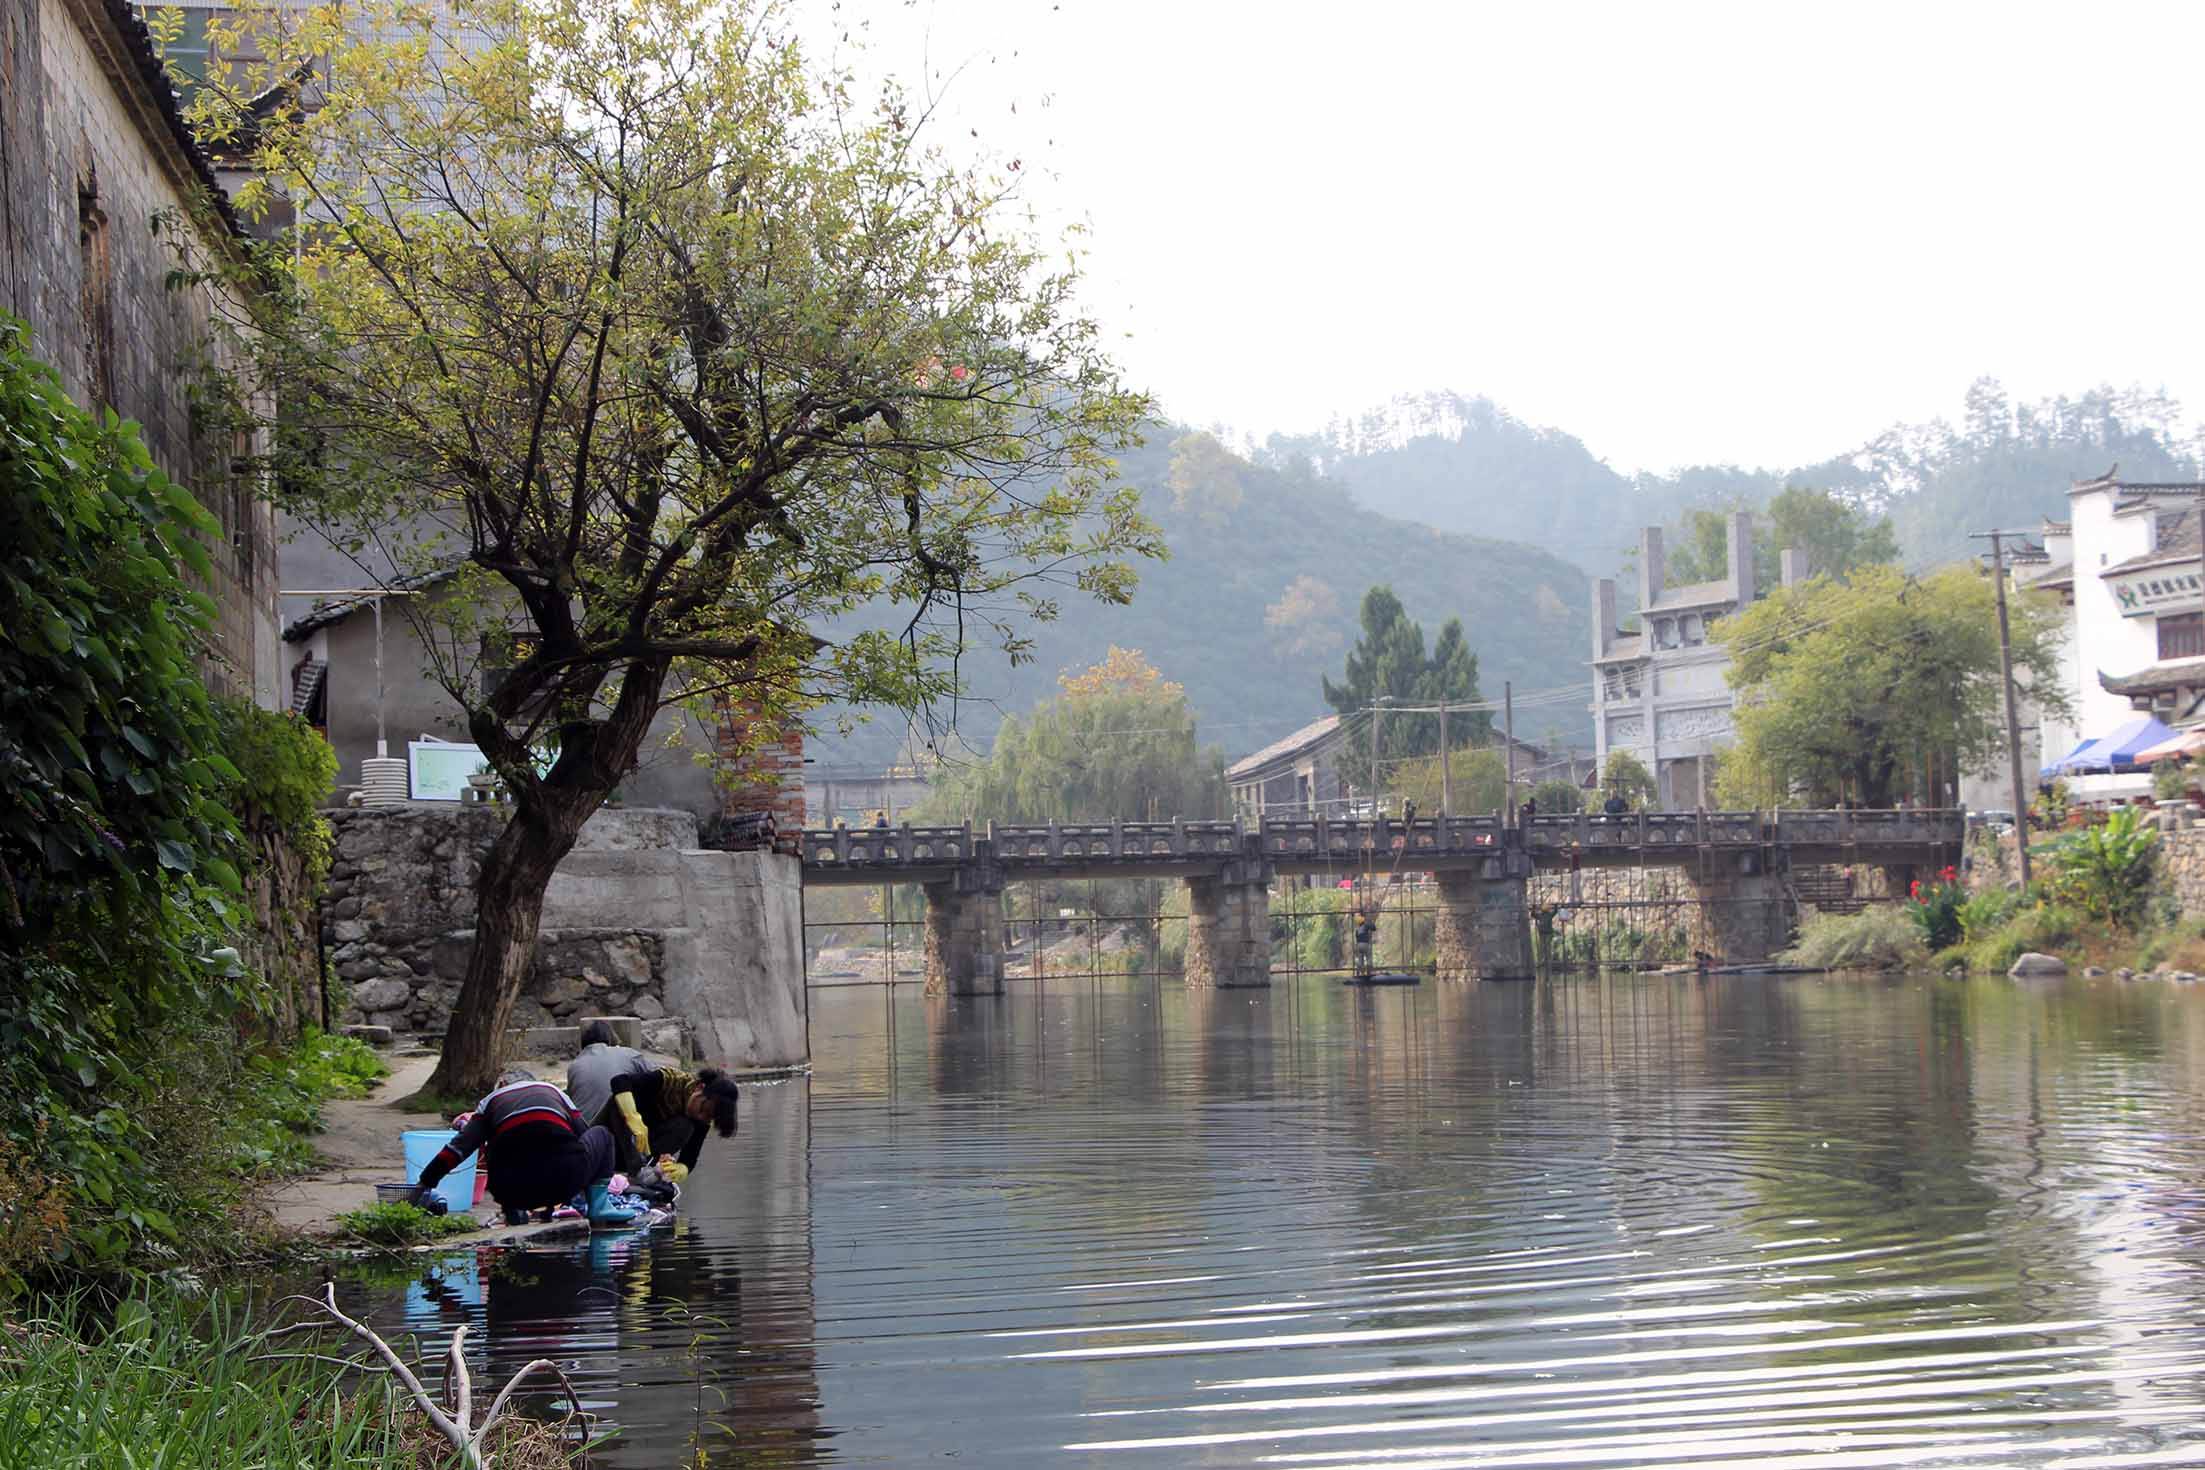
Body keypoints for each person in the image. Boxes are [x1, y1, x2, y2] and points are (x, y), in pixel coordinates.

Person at [410, 1067, 650, 1227]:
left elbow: (457, 1150)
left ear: (501, 1084)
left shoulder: (490, 1103)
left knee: (497, 1144)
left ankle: (514, 1211)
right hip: (565, 1183)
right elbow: (585, 1137)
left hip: (512, 1190)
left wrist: (423, 1184)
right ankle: (599, 1207)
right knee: (602, 1135)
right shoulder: (554, 1092)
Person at [566, 1035, 739, 1184]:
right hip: (611, 1138)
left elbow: (690, 1158)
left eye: (707, 1117)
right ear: (699, 1087)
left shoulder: (700, 1120)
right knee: (617, 1103)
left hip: (641, 1152)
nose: (700, 1116)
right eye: (702, 1108)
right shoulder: (668, 1079)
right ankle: (635, 1171)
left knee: (684, 1126)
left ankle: (647, 1172)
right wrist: (633, 1118)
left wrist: (678, 1169)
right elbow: (619, 1081)